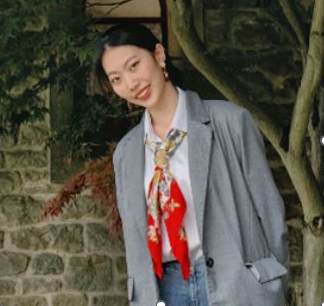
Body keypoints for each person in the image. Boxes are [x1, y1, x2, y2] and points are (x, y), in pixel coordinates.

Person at [94, 23, 289, 306]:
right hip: (168, 291)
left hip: (238, 285)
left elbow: (270, 211)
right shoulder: (126, 153)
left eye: (134, 65)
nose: (131, 83)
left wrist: (271, 281)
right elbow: (135, 241)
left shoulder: (230, 122)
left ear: (158, 55)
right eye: (116, 79)